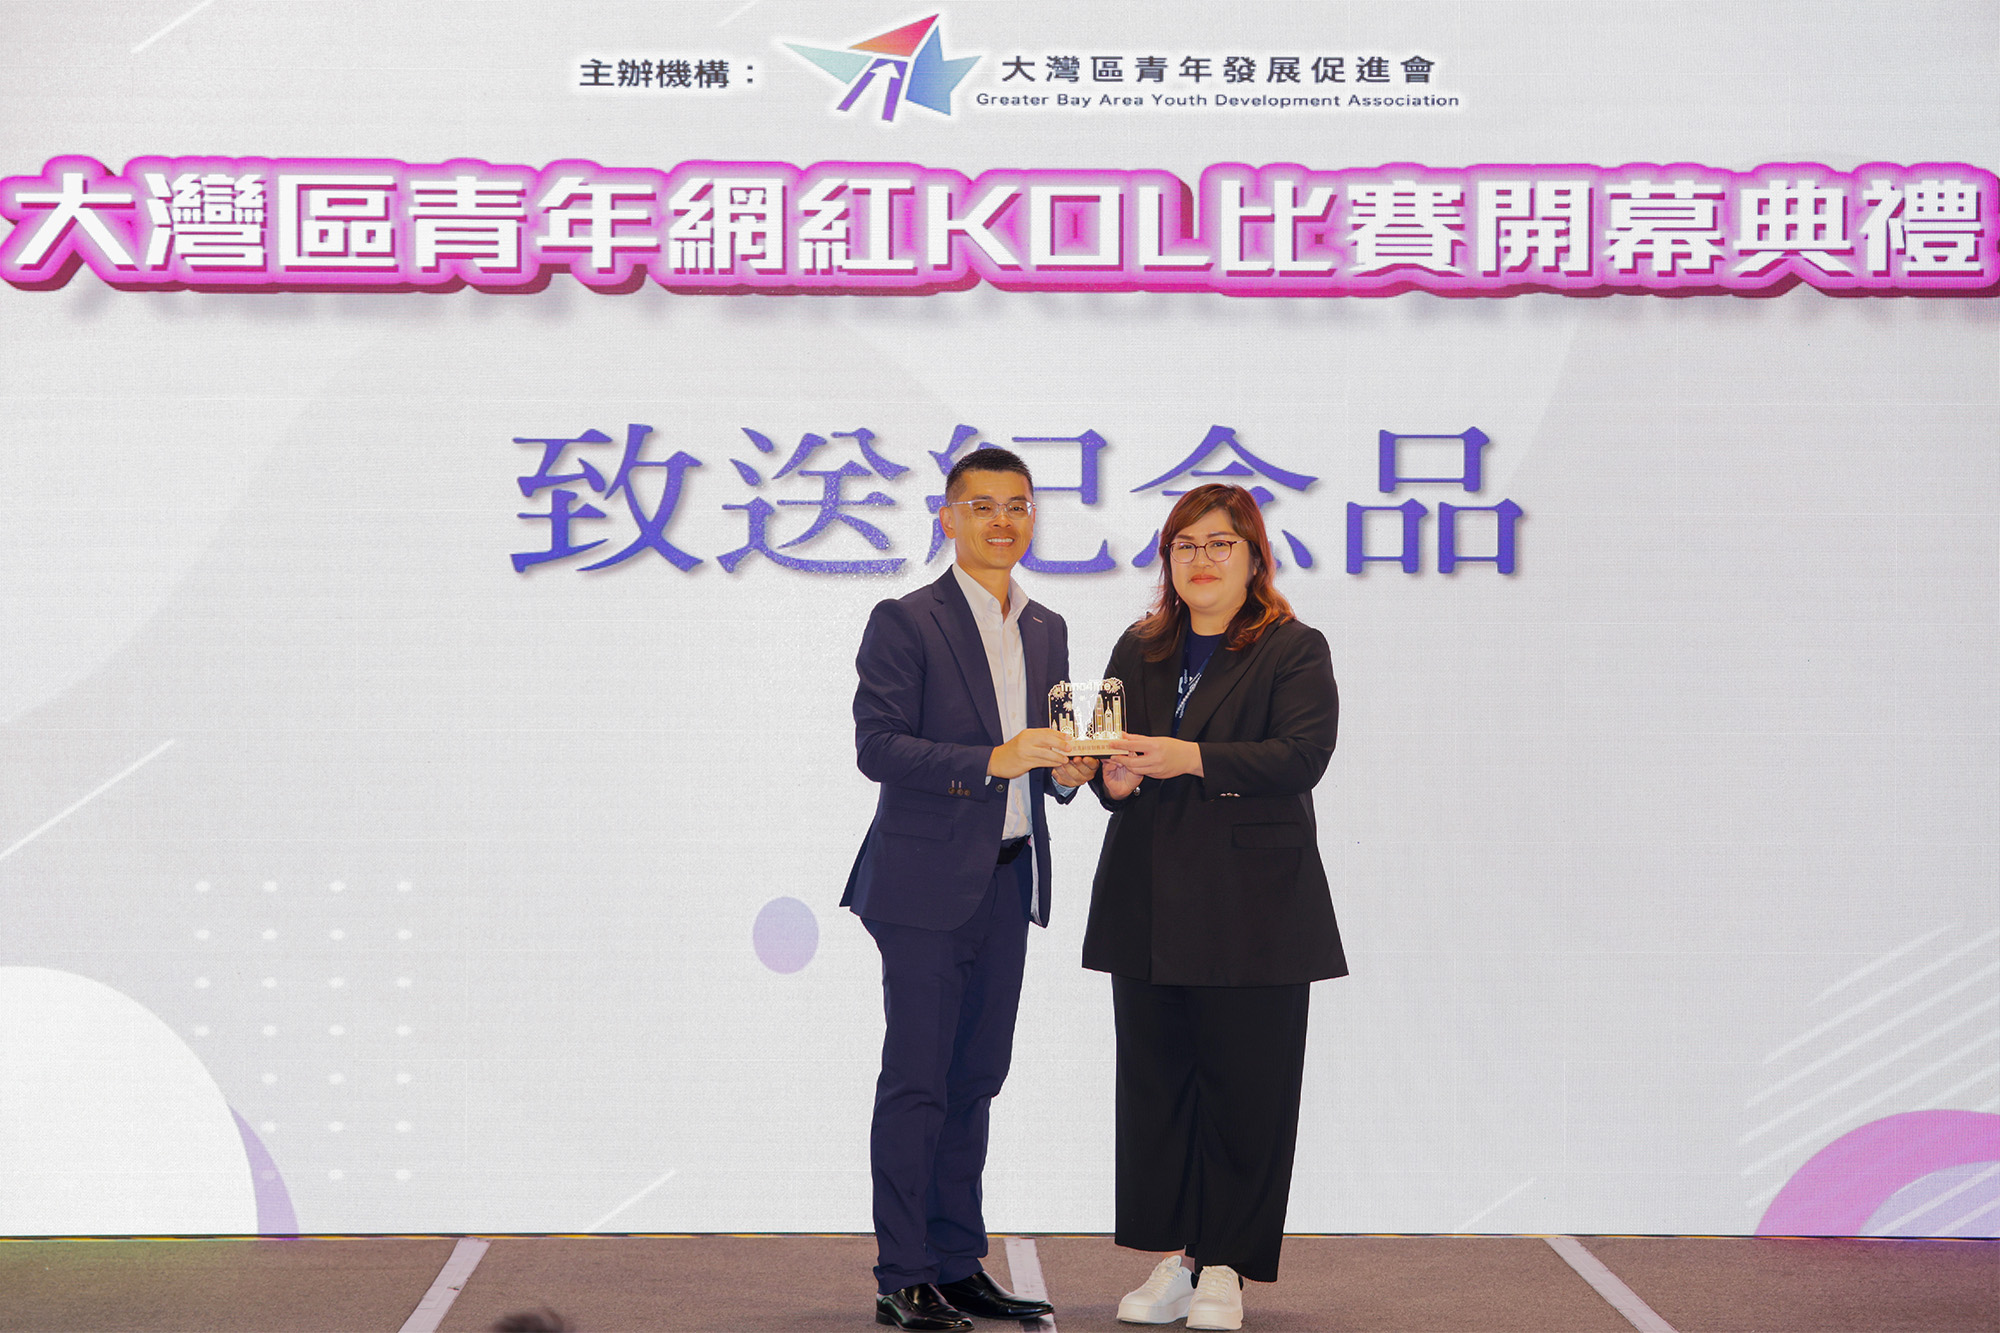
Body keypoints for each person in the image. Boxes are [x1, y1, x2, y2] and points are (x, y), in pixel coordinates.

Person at [845, 446, 1101, 1332]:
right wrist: (995, 758)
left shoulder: (1047, 626)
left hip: (1009, 878)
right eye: (983, 505)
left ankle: (957, 1263)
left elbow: (1047, 762)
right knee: (918, 1081)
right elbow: (878, 746)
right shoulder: (905, 619)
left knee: (976, 1078)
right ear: (947, 516)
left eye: (1017, 505)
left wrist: (1067, 772)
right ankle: (903, 1272)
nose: (1002, 520)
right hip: (921, 886)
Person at [1082, 483, 1345, 1332]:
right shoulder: (1139, 645)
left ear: (1253, 556)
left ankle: (1228, 1262)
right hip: (1149, 903)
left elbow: (1300, 755)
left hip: (1253, 908)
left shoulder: (1293, 648)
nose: (1201, 559)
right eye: (1185, 544)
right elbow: (1114, 767)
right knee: (1160, 1091)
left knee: (1248, 1090)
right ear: (1167, 559)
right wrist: (1111, 778)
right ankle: (1183, 1257)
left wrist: (1190, 756)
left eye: (1220, 543)